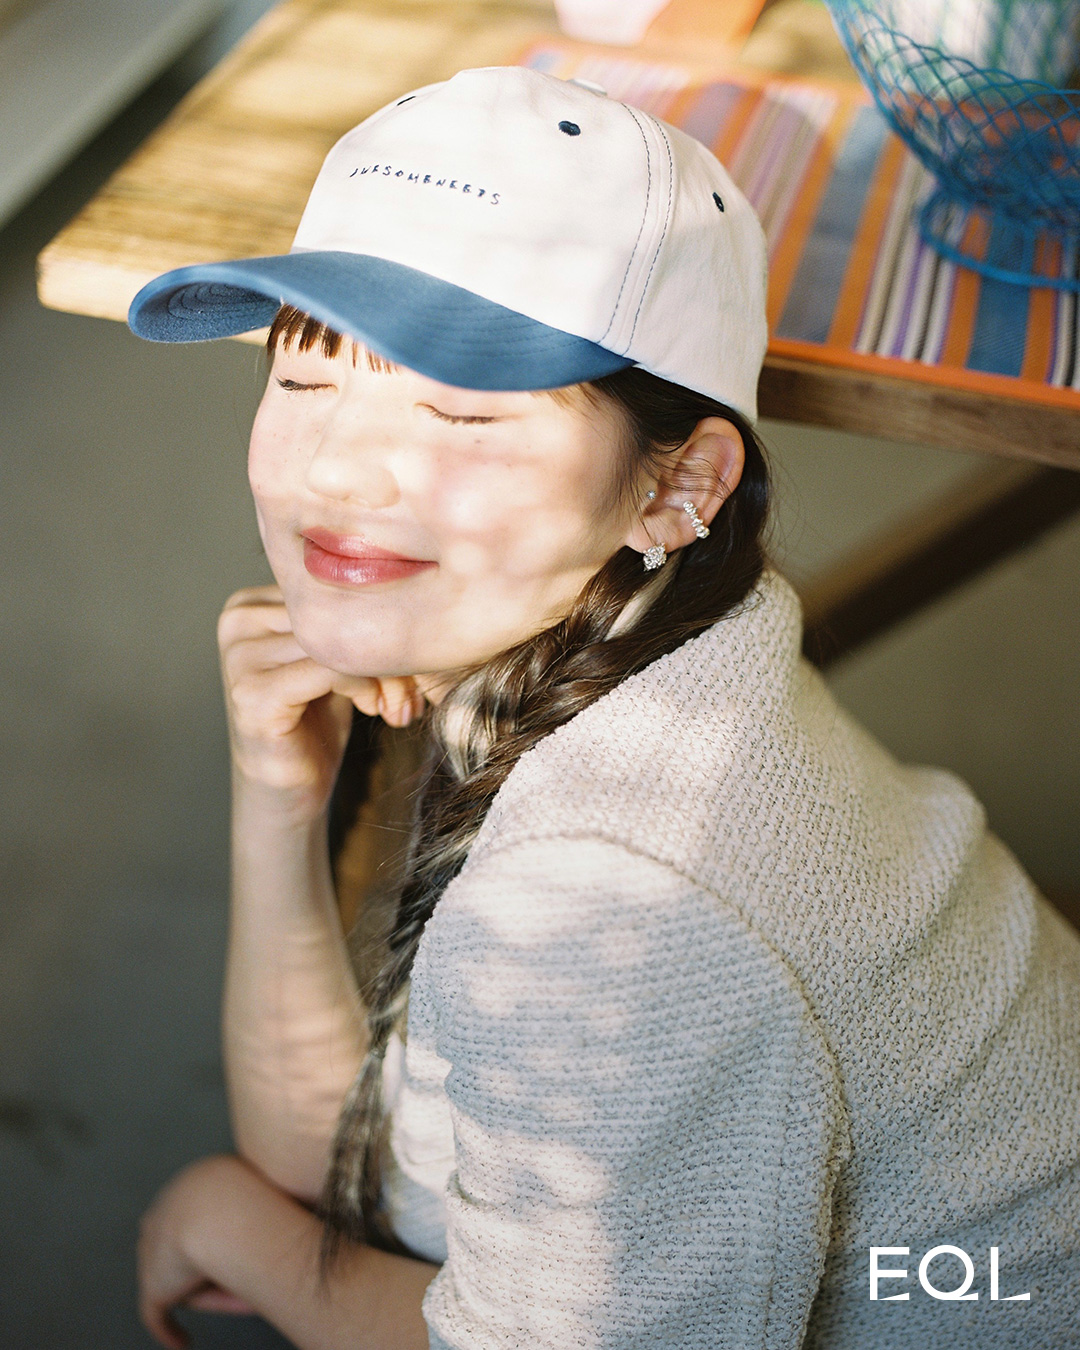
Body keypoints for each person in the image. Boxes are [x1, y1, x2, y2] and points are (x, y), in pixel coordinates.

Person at [125, 66, 1080, 1350]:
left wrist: (238, 1234)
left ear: (678, 487)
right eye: (305, 378)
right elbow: (352, 1170)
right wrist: (278, 798)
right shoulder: (669, 640)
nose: (340, 470)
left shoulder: (607, 904)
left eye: (463, 408)